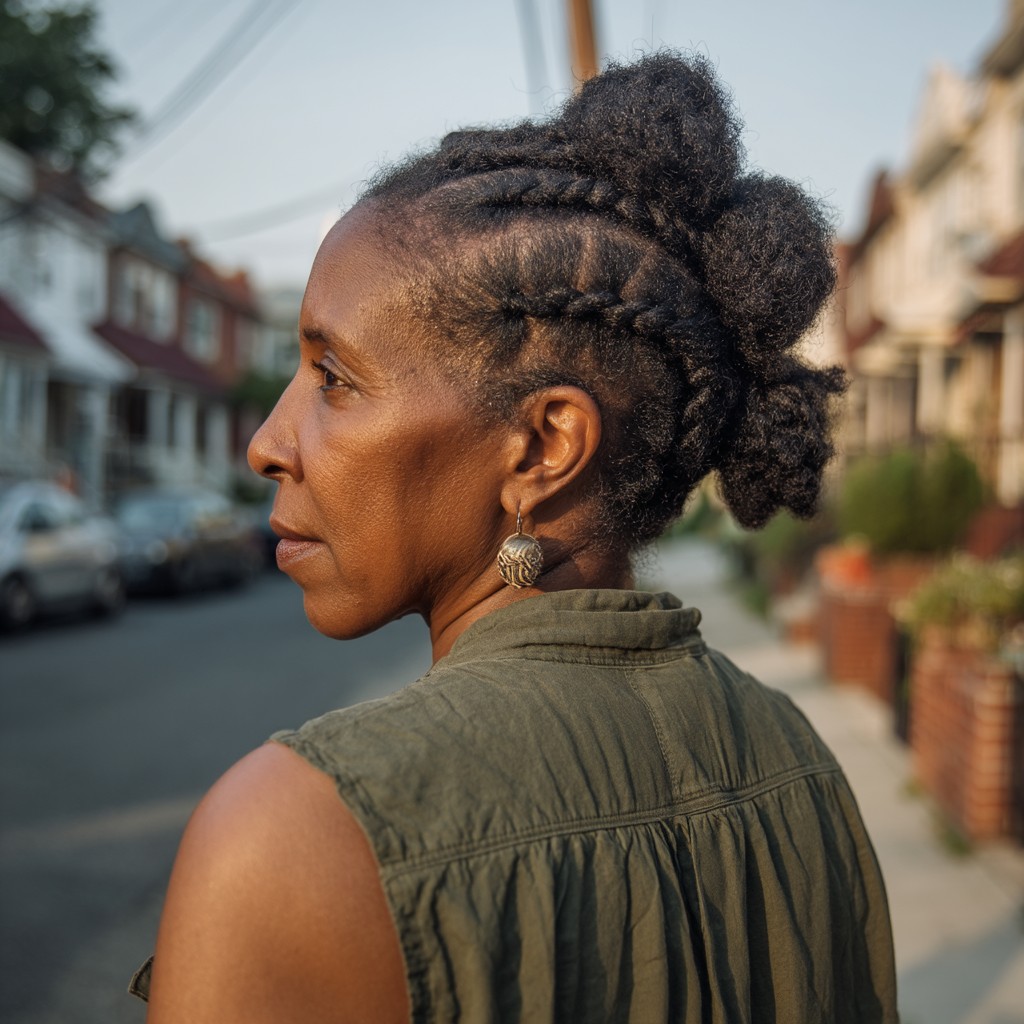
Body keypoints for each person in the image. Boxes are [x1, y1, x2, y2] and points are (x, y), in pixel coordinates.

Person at [135, 52, 898, 1023]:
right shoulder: (799, 761)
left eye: (335, 380)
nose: (265, 444)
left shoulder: (295, 837)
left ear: (543, 445)